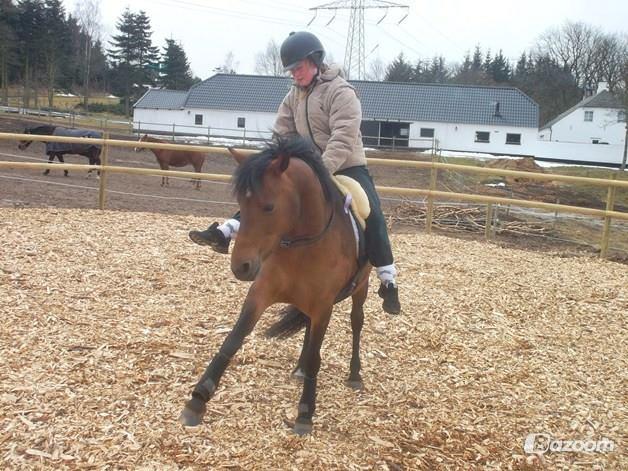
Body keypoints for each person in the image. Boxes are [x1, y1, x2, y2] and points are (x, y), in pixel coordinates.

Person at [189, 31, 401, 315]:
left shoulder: (341, 92)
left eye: (298, 68)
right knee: (265, 195)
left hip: (346, 165)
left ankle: (387, 279)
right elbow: (282, 133)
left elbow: (344, 135)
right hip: (308, 168)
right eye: (290, 70)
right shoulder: (294, 96)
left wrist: (322, 171)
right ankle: (226, 232)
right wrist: (269, 165)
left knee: (370, 210)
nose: (294, 75)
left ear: (314, 62)